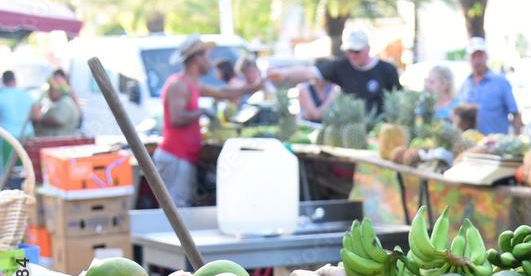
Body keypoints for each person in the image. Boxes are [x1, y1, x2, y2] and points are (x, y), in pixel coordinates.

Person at [153, 34, 263, 207]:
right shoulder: (179, 85)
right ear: (198, 59)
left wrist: (253, 87)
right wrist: (202, 111)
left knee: (180, 206)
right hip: (175, 156)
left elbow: (223, 92)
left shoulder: (193, 84)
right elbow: (177, 118)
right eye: (208, 57)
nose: (211, 62)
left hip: (184, 157)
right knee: (176, 208)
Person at [267, 30, 401, 115]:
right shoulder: (341, 66)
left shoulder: (387, 69)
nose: (352, 55)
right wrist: (285, 73)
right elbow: (309, 73)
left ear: (368, 49)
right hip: (350, 127)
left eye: (356, 51)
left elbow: (398, 99)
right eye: (349, 51)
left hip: (379, 128)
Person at [458, 37, 521, 135]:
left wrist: (517, 138)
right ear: (468, 59)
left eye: (480, 56)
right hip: (471, 145)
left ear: (486, 56)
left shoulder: (501, 82)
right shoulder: (465, 84)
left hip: (496, 146)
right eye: (474, 56)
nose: (477, 60)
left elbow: (515, 113)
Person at [0, 71, 35, 166]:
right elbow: (37, 115)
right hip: (27, 135)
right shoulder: (27, 95)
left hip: (9, 137)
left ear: (3, 81)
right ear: (15, 80)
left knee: (10, 170)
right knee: (27, 168)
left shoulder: (2, 96)